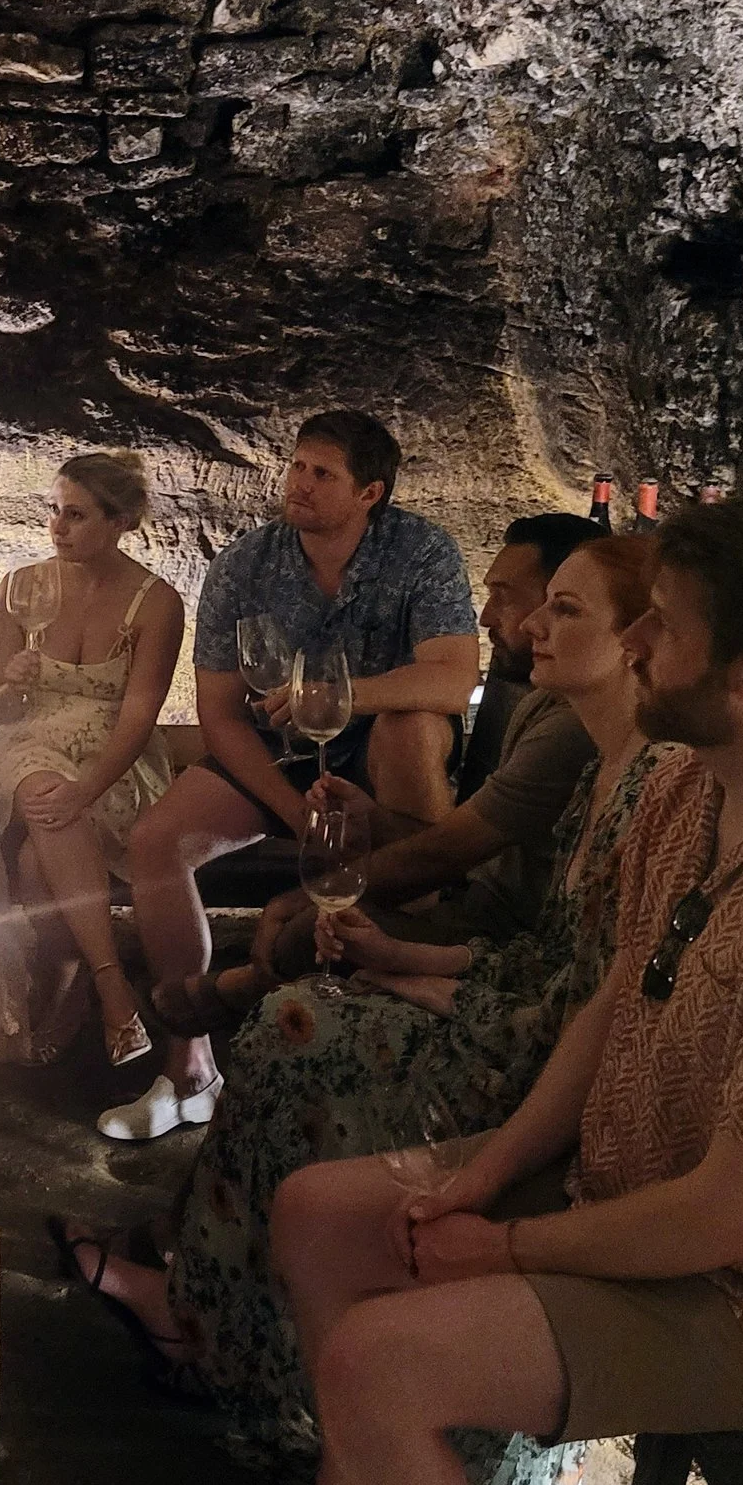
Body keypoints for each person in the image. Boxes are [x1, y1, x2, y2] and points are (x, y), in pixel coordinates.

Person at [191, 499, 743, 1485]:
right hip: (624, 1179)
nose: (635, 640)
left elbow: (734, 1218)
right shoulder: (692, 789)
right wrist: (486, 1178)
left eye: (665, 624)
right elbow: (614, 1006)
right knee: (319, 1212)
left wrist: (504, 1245)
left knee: (381, 1365)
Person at [55, 534, 666, 1485]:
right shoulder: (593, 742)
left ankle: (217, 1322)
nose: (514, 624)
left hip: (535, 1063)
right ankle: (213, 1311)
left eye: (556, 611)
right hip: (513, 1004)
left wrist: (408, 964)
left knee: (296, 1022)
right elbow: (547, 955)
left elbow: (569, 983)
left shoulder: (644, 773)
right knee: (296, 1017)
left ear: (644, 642)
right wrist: (397, 946)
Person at [118, 411, 479, 1140]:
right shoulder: (245, 565)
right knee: (155, 841)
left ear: (370, 492)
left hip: (381, 747)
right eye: (297, 467)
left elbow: (455, 677)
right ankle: (190, 1070)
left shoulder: (422, 553)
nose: (300, 484)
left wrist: (340, 698)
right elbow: (220, 715)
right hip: (275, 756)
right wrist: (293, 811)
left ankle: (396, 1029)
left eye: (323, 474)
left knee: (412, 732)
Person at [154, 513, 606, 1038]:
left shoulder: (569, 727)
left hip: (500, 929)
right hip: (478, 893)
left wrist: (306, 894)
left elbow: (448, 853)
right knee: (181, 849)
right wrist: (375, 821)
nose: (487, 618)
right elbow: (466, 843)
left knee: (309, 929)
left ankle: (245, 990)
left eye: (507, 596)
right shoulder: (543, 701)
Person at [0, 452, 184, 1075]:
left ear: (120, 521)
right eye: (53, 511)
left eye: (76, 515)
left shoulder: (156, 604)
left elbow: (139, 719)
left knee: (40, 863)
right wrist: (9, 687)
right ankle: (115, 986)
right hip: (25, 750)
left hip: (113, 762)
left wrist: (89, 788)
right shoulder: (23, 587)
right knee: (44, 789)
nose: (57, 528)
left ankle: (74, 993)